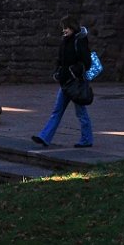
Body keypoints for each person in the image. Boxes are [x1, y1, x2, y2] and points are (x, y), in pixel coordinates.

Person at [32, 14, 94, 148]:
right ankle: (44, 137)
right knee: (57, 111)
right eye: (63, 28)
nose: (64, 30)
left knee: (81, 113)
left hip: (76, 83)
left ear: (72, 27)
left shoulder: (79, 41)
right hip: (65, 83)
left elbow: (86, 62)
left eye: (66, 28)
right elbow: (60, 61)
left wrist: (73, 71)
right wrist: (57, 72)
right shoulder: (65, 41)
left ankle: (87, 139)